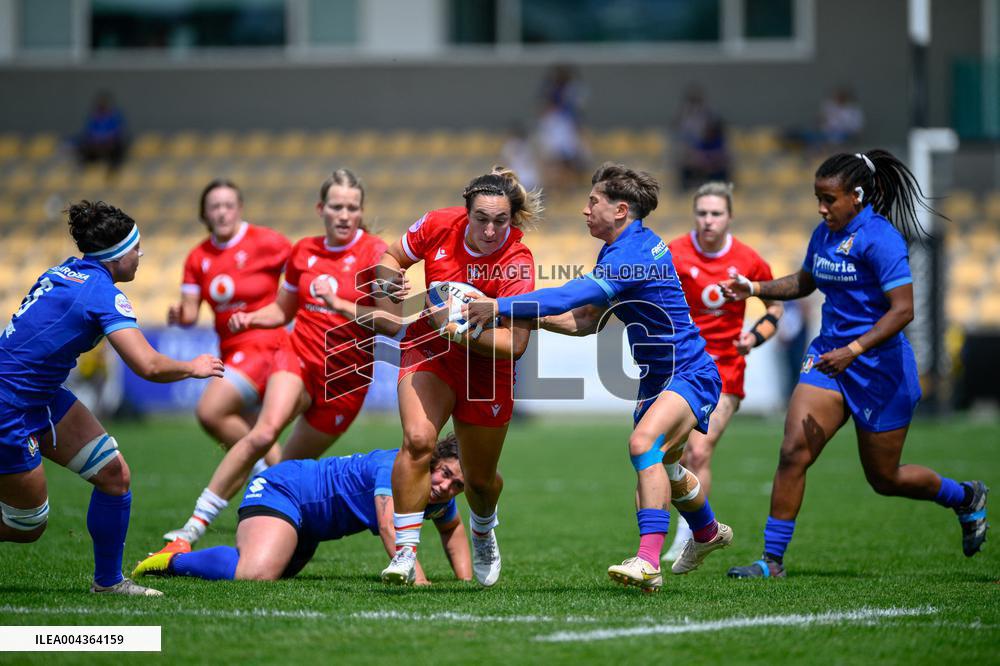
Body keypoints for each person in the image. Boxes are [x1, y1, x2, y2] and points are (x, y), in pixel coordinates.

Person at [466, 163, 733, 593]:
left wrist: (499, 306)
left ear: (620, 210)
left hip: (689, 372)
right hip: (656, 379)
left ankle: (648, 562)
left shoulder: (631, 256)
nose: (585, 210)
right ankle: (707, 532)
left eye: (593, 202)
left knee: (643, 445)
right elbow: (586, 320)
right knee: (666, 464)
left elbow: (568, 296)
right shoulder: (620, 248)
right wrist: (524, 318)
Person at [723, 150, 989, 579]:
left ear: (857, 196)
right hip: (829, 358)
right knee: (792, 452)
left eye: (829, 199)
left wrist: (854, 349)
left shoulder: (881, 239)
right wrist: (754, 288)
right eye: (818, 198)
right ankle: (771, 561)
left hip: (880, 370)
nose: (821, 208)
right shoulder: (824, 233)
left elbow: (903, 310)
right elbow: (805, 281)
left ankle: (964, 496)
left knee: (885, 479)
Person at [0, 200, 224, 596]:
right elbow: (148, 365)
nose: (141, 255)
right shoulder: (102, 293)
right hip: (9, 404)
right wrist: (193, 367)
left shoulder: (62, 271)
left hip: (40, 397)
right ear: (117, 255)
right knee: (27, 525)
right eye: (136, 248)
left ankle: (108, 582)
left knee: (113, 476)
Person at [161, 169, 388, 546]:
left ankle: (274, 538)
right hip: (297, 357)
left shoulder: (377, 254)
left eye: (352, 208)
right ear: (321, 209)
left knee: (283, 472)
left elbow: (390, 322)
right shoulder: (303, 252)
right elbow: (283, 310)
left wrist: (339, 304)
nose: (344, 215)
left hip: (346, 381)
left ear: (361, 211)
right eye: (336, 207)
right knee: (264, 433)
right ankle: (195, 525)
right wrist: (252, 317)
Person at [377, 167, 540, 587]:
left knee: (479, 481)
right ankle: (406, 551)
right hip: (430, 350)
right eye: (480, 219)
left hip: (487, 367)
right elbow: (391, 258)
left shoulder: (518, 262)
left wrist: (457, 331)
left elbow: (516, 344)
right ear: (465, 212)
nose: (489, 230)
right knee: (418, 440)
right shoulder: (436, 225)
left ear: (512, 218)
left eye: (500, 221)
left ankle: (483, 528)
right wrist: (389, 282)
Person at [133, 434, 471, 584]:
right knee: (256, 574)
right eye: (445, 474)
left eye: (458, 485)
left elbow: (452, 528)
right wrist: (419, 580)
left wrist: (466, 581)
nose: (446, 488)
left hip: (310, 526)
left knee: (274, 574)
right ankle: (174, 558)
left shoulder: (437, 497)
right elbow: (389, 527)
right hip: (283, 489)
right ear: (432, 460)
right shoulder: (395, 468)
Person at [162, 179, 292, 543]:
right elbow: (191, 312)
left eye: (228, 205)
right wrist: (179, 315)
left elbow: (300, 273)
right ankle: (287, 492)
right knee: (260, 435)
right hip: (232, 351)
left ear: (240, 208)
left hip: (267, 345)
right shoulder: (198, 257)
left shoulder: (267, 242)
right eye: (214, 206)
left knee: (210, 411)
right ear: (204, 214)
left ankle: (260, 466)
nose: (222, 212)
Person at [661, 182, 783, 561]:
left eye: (716, 213)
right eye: (702, 213)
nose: (708, 220)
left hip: (726, 369)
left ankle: (689, 535)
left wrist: (754, 336)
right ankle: (688, 528)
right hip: (681, 365)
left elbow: (775, 307)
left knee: (699, 451)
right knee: (672, 454)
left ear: (729, 216)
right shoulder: (674, 253)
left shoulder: (748, 260)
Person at [74, 91, 128, 172]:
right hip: (96, 145)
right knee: (83, 147)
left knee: (119, 147)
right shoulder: (94, 116)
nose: (102, 105)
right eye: (101, 103)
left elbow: (117, 131)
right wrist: (97, 140)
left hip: (110, 145)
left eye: (104, 103)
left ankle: (113, 170)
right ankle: (86, 170)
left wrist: (106, 139)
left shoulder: (115, 115)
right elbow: (89, 131)